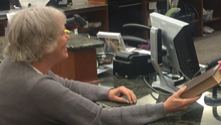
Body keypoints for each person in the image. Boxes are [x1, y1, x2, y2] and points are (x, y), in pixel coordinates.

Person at [0, 6, 200, 125]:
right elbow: (101, 119)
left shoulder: (14, 63)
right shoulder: (37, 88)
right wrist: (164, 108)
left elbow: (65, 85)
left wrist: (107, 92)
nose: (68, 37)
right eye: (63, 33)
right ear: (43, 45)